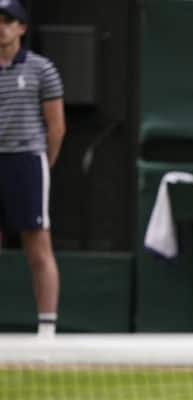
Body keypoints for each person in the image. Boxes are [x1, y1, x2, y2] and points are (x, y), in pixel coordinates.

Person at [0, 0, 65, 339]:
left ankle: (47, 330)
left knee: (38, 245)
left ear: (22, 28)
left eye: (8, 21)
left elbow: (56, 128)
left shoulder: (42, 69)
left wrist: (44, 164)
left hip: (27, 161)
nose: (1, 27)